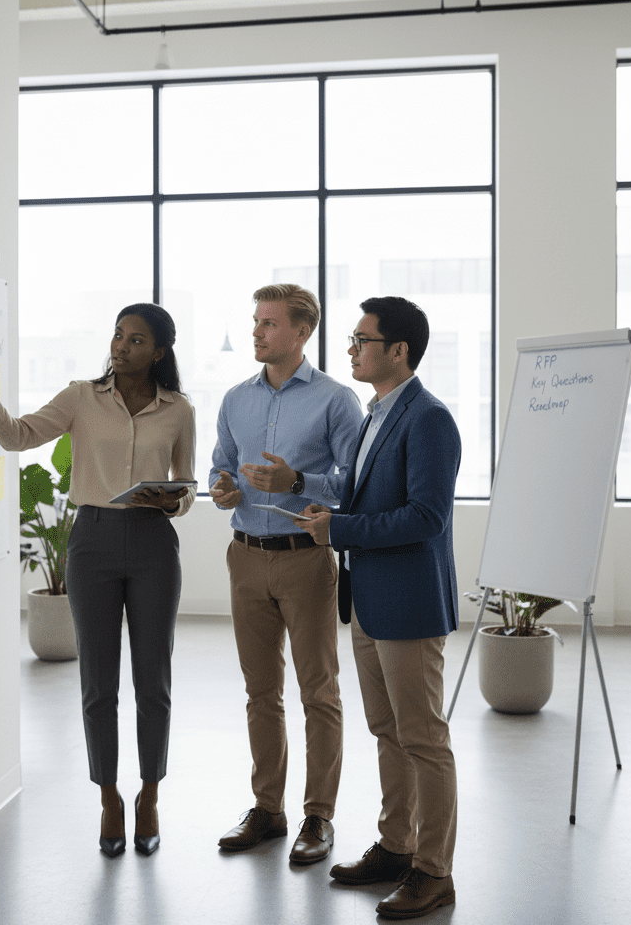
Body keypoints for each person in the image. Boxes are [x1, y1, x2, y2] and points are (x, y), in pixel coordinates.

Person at [0, 303, 195, 858]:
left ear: (158, 352)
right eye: (117, 335)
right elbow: (17, 436)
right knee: (98, 683)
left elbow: (185, 484)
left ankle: (149, 793)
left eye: (136, 340)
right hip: (93, 542)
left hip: (155, 542)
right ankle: (109, 795)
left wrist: (171, 498)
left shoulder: (178, 409)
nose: (121, 345)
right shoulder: (81, 396)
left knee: (153, 678)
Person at [298, 296, 461, 920]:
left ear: (399, 350)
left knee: (424, 738)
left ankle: (434, 870)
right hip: (368, 601)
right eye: (353, 339)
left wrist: (338, 532)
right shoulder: (376, 414)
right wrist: (300, 486)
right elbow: (354, 489)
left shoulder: (428, 419)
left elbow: (425, 518)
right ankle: (397, 846)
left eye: (362, 340)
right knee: (387, 731)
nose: (351, 350)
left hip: (409, 605)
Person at [209, 284, 363, 865]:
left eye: (269, 323)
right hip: (245, 555)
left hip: (306, 558)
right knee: (259, 692)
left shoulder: (335, 400)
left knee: (318, 692)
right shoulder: (234, 400)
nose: (256, 331)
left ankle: (318, 816)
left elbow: (355, 482)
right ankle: (267, 809)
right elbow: (221, 468)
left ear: (302, 333)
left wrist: (297, 483)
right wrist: (222, 488)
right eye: (255, 321)